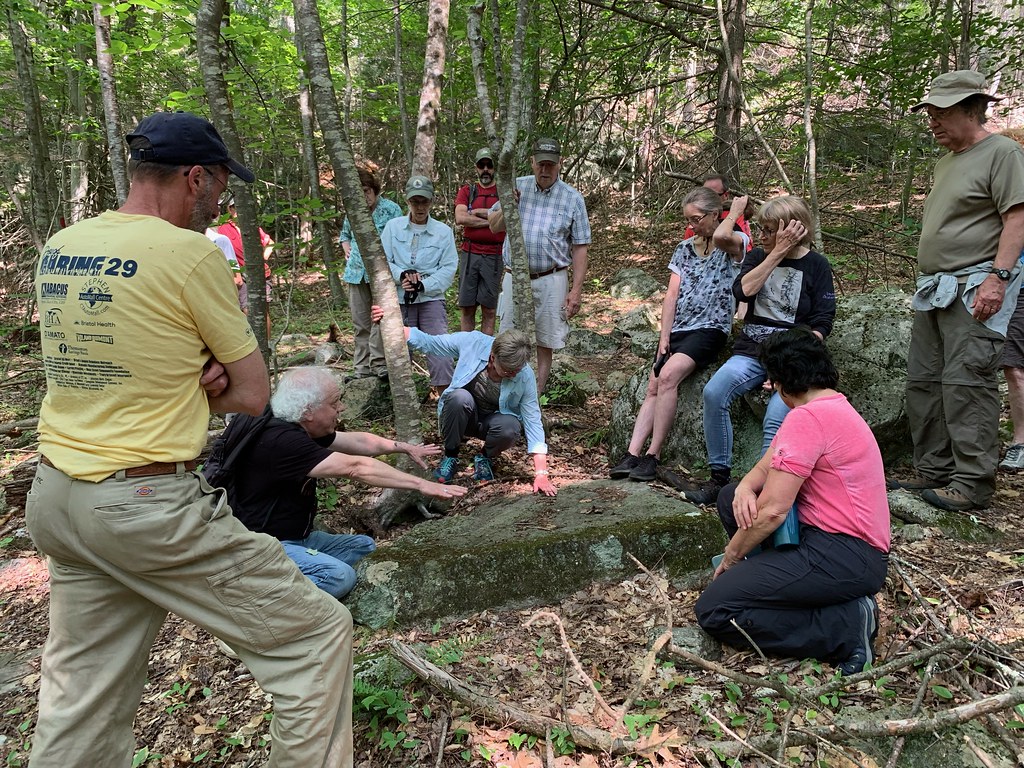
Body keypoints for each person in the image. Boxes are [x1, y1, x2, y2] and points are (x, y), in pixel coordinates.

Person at [27, 112, 356, 767]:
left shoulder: (62, 245)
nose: (220, 202)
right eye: (220, 187)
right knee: (315, 636)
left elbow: (98, 367)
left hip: (57, 499)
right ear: (194, 177)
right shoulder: (189, 254)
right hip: (144, 503)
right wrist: (198, 375)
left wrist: (177, 370)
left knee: (80, 701)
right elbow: (254, 394)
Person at [695, 329, 890, 676]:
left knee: (715, 609)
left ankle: (845, 627)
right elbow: (767, 464)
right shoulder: (830, 407)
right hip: (844, 549)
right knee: (731, 497)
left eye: (772, 379)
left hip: (842, 553)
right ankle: (787, 586)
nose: (769, 387)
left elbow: (772, 511)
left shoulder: (807, 418)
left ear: (786, 380)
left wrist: (732, 556)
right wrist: (742, 489)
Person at [897, 70, 1024, 510]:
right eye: (929, 113)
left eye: (941, 113)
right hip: (936, 288)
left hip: (977, 285)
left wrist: (998, 278)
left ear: (973, 109)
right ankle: (934, 472)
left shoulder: (1003, 153)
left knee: (966, 381)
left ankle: (972, 482)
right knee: (924, 380)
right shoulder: (946, 161)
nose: (932, 121)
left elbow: (1017, 218)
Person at [224, 367, 465, 599]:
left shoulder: (297, 425)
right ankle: (256, 600)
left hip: (296, 538)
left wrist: (399, 446)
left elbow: (356, 442)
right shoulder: (282, 441)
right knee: (338, 577)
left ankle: (292, 580)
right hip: (262, 546)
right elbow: (355, 467)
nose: (341, 408)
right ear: (308, 410)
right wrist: (421, 485)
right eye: (333, 403)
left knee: (362, 547)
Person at [683, 194, 836, 506]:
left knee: (777, 415)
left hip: (793, 357)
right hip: (753, 349)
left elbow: (822, 321)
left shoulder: (817, 266)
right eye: (761, 229)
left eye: (769, 230)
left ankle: (765, 487)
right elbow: (743, 290)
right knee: (715, 392)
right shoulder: (758, 256)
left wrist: (787, 368)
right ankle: (719, 479)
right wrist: (776, 253)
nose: (761, 236)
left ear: (793, 229)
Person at [610, 187, 748, 481]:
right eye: (688, 220)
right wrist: (664, 336)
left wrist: (733, 212)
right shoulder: (684, 249)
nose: (692, 226)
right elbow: (671, 295)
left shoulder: (734, 242)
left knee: (670, 375)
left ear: (714, 215)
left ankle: (653, 456)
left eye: (697, 219)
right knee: (654, 383)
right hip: (680, 328)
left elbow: (723, 237)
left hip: (710, 328)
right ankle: (632, 454)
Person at [396, 321, 557, 495]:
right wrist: (394, 324)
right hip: (461, 415)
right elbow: (432, 344)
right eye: (508, 370)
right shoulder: (473, 343)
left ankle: (484, 457)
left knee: (511, 425)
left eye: (517, 370)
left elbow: (533, 420)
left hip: (491, 423)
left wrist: (541, 473)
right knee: (459, 397)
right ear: (493, 358)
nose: (513, 374)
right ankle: (450, 455)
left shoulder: (524, 375)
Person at [488, 137, 591, 393]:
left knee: (546, 340)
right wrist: (509, 205)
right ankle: (500, 392)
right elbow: (493, 225)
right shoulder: (517, 186)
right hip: (515, 275)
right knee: (507, 337)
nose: (545, 170)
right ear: (532, 162)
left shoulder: (572, 199)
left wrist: (576, 290)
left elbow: (580, 247)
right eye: (541, 164)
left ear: (560, 164)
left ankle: (536, 394)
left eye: (551, 165)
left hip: (552, 277)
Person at [381, 175, 459, 390]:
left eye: (424, 201)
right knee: (398, 350)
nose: (420, 206)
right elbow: (384, 260)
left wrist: (423, 285)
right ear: (407, 201)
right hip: (398, 299)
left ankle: (445, 398)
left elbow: (449, 267)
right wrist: (402, 276)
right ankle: (401, 397)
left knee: (440, 349)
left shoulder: (443, 232)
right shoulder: (392, 227)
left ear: (431, 201)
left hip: (431, 299)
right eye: (415, 201)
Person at [339, 167, 403, 380]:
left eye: (366, 190)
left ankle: (379, 365)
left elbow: (401, 237)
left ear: (374, 190)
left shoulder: (391, 209)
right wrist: (346, 247)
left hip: (381, 272)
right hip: (356, 273)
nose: (364, 196)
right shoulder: (354, 211)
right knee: (361, 323)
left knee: (379, 319)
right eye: (359, 191)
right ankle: (361, 369)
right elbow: (344, 235)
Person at [455, 147, 505, 335]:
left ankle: (485, 356)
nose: (485, 169)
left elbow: (507, 221)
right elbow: (461, 218)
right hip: (469, 254)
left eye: (489, 165)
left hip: (494, 255)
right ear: (476, 167)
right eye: (481, 165)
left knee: (489, 309)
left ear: (494, 168)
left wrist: (476, 213)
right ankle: (467, 354)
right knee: (467, 307)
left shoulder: (502, 192)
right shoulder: (468, 191)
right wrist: (493, 221)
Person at [218, 196, 275, 337]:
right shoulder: (223, 229)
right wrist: (234, 274)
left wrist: (262, 258)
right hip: (241, 275)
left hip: (261, 273)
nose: (237, 210)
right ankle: (256, 346)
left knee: (263, 311)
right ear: (230, 209)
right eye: (234, 207)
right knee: (248, 309)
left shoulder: (252, 226)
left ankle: (267, 346)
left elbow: (270, 243)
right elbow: (225, 254)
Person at [683, 174, 753, 251]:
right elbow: (687, 249)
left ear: (725, 195)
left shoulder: (736, 216)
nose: (708, 200)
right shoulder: (695, 220)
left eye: (714, 195)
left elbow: (746, 250)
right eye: (704, 196)